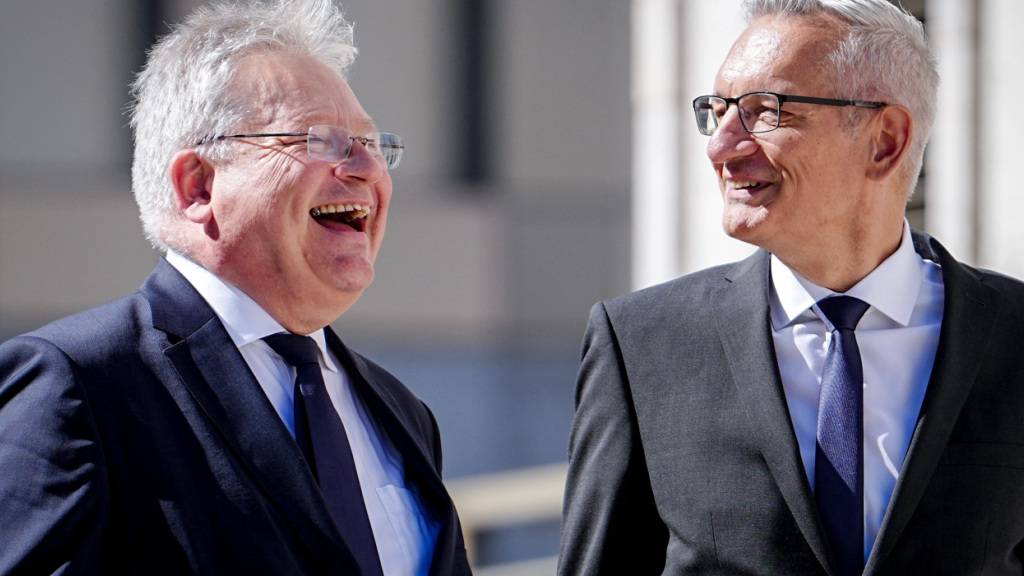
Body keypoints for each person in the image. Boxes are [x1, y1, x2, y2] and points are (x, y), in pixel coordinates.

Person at [0, 1, 470, 574]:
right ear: (198, 186)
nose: (368, 170)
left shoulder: (402, 412)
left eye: (373, 144)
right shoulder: (80, 383)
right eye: (322, 141)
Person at [560, 0, 1024, 574]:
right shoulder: (642, 344)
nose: (721, 146)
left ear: (885, 140)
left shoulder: (1013, 334)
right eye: (718, 110)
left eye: (764, 110)